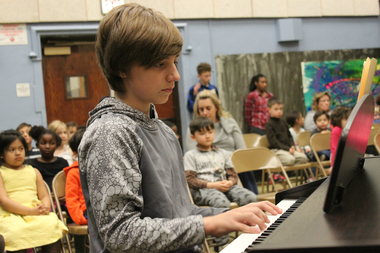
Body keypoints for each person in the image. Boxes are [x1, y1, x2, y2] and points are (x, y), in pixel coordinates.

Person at [79, 3, 282, 253]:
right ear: (122, 68)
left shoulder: (163, 131)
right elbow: (120, 234)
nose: (174, 74)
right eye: (159, 64)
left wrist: (232, 214)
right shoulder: (111, 132)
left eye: (174, 62)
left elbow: (181, 215)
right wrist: (209, 224)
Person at [0, 129, 67, 252]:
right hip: (10, 215)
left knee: (50, 225)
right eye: (12, 150)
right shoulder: (1, 173)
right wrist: (31, 211)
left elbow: (44, 196)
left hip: (36, 212)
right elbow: (3, 201)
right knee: (14, 231)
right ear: (1, 154)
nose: (17, 153)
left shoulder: (34, 171)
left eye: (21, 149)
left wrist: (45, 207)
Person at [186, 89, 259, 194]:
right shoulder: (193, 128)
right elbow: (195, 155)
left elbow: (242, 150)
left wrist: (229, 161)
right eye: (201, 109)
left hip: (234, 164)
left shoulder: (229, 121)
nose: (205, 112)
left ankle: (253, 201)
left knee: (243, 166)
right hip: (208, 169)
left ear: (216, 107)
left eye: (208, 108)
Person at [63, 127, 87, 253]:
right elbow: (72, 199)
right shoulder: (74, 172)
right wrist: (80, 219)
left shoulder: (101, 168)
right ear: (76, 153)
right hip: (85, 212)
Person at [265, 97, 308, 166]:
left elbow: (289, 136)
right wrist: (287, 149)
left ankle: (291, 173)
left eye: (281, 109)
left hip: (288, 149)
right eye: (276, 109)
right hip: (277, 150)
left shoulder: (283, 122)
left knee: (303, 158)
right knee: (290, 159)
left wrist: (292, 146)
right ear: (269, 110)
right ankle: (282, 173)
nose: (279, 111)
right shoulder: (269, 124)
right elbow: (273, 142)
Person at [29, 126, 69, 190]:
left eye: (52, 143)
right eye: (43, 143)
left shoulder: (63, 163)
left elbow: (68, 183)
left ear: (56, 146)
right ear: (37, 145)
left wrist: (64, 194)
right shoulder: (32, 165)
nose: (47, 146)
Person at [329, 106, 351, 174]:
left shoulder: (348, 130)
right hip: (339, 159)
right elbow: (334, 149)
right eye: (346, 119)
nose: (349, 121)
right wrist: (334, 165)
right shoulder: (336, 130)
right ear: (338, 119)